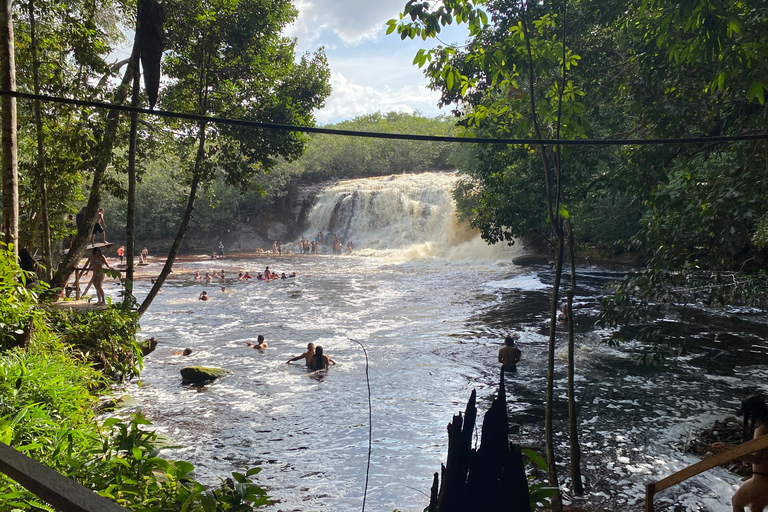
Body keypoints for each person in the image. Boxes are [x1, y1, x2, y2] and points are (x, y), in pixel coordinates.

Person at [733, 395, 768, 512]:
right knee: (755, 507)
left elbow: (756, 459)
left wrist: (734, 454)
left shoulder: (762, 430)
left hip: (762, 479)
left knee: (736, 501)